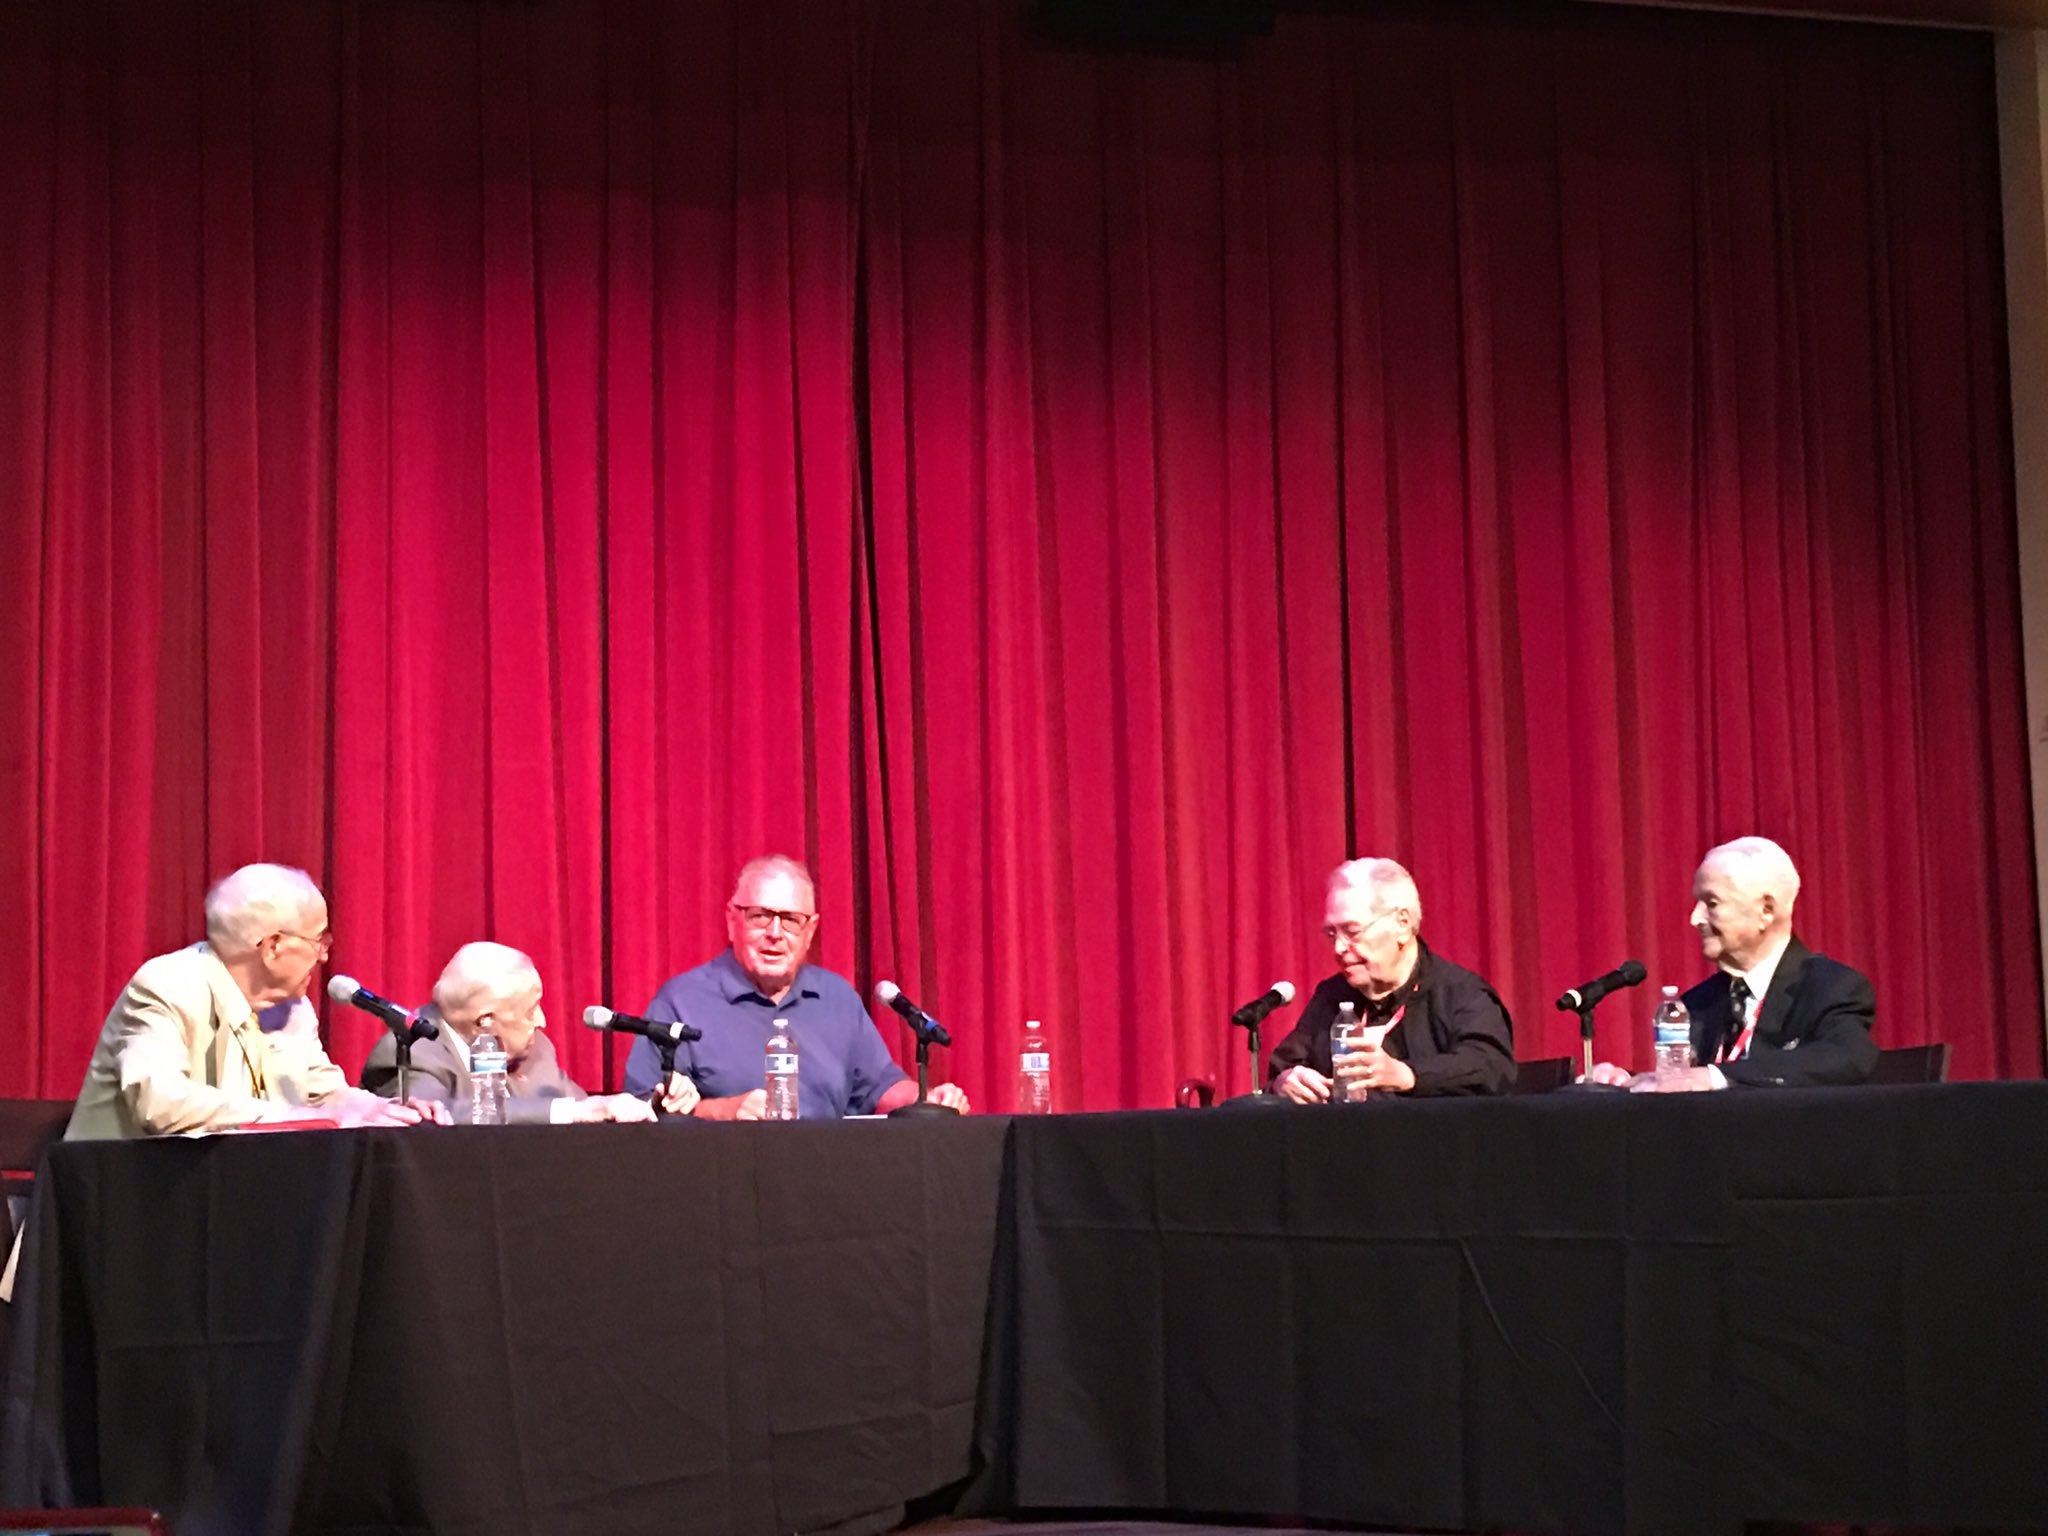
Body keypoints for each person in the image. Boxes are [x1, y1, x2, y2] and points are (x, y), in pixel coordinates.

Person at [63, 863, 440, 1139]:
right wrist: (299, 1118)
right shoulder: (168, 984)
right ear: (273, 946)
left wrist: (380, 1110)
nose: (324, 956)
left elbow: (325, 1094)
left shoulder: (293, 1009)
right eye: (317, 941)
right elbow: (162, 1104)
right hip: (120, 1209)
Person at [623, 855, 970, 1119]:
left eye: (790, 920)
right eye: (760, 916)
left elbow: (880, 1087)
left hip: (826, 1184)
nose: (775, 933)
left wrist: (925, 1098)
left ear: (810, 931)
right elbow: (644, 1109)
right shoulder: (682, 1001)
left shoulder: (836, 999)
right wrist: (725, 1110)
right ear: (732, 920)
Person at [1585, 836, 1877, 1090]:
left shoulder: (1831, 987)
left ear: (1766, 910)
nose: (1695, 919)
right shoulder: (1699, 1002)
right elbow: (1686, 1083)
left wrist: (1715, 1077)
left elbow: (1846, 1058)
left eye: (1711, 903)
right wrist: (1629, 1082)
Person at [1270, 858, 1516, 1101]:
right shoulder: (1332, 996)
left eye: (1352, 932)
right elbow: (1284, 1066)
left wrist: (1407, 1075)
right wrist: (1287, 1080)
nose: (1338, 947)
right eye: (1331, 933)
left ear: (1402, 923)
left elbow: (1491, 1067)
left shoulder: (1460, 993)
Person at [361, 941, 665, 1122]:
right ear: (485, 1021)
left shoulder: (534, 1048)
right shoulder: (412, 1050)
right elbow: (433, 1118)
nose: (543, 1021)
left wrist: (651, 1104)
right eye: (530, 1010)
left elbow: (586, 1108)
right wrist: (574, 1112)